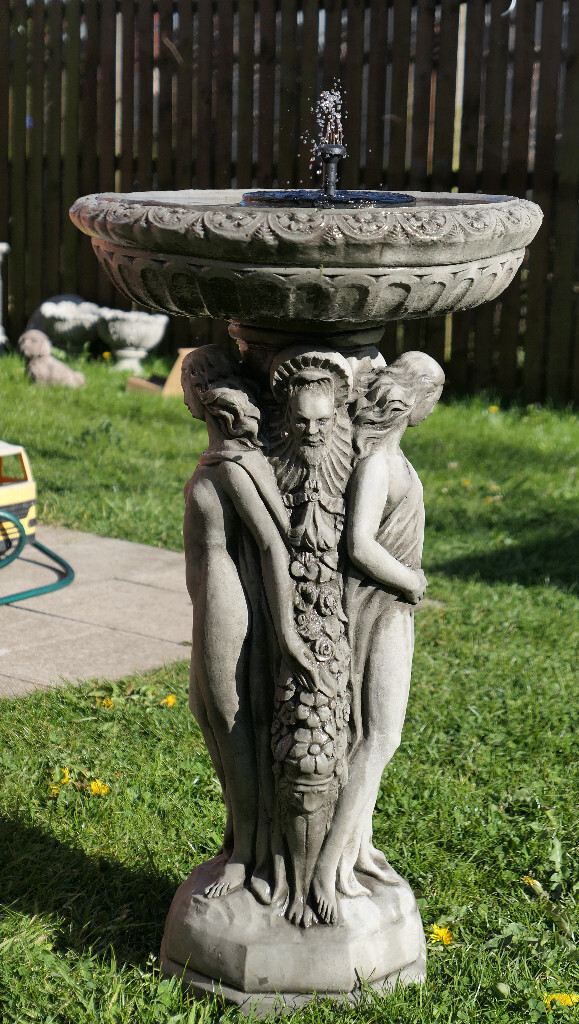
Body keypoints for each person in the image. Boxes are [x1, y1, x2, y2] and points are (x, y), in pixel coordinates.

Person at [310, 351, 445, 924]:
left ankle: (357, 849)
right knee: (377, 738)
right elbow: (360, 544)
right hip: (380, 609)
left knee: (373, 735)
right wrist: (411, 578)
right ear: (412, 402)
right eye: (434, 391)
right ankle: (328, 865)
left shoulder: (395, 460)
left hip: (396, 608)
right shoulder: (377, 467)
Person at [182, 346, 317, 903]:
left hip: (223, 596)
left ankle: (246, 856)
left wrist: (286, 629)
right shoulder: (228, 459)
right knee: (205, 710)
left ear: (204, 401)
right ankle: (238, 836)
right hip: (208, 592)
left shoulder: (234, 468)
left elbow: (272, 545)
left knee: (230, 715)